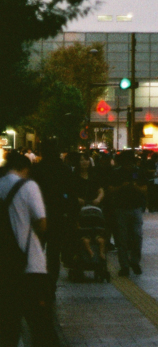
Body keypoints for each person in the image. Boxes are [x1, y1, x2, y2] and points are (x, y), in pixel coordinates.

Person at [0, 150, 58, 347]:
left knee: (8, 327)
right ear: (25, 168)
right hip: (30, 266)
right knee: (41, 326)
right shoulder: (28, 186)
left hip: (5, 269)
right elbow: (42, 223)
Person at [33, 140, 76, 300]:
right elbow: (71, 194)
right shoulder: (65, 170)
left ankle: (37, 285)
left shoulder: (36, 170)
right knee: (53, 253)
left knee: (36, 252)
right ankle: (51, 286)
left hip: (39, 217)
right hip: (58, 217)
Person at [110, 152, 147, 277]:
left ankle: (135, 262)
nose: (128, 165)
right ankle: (124, 265)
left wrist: (135, 187)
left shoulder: (139, 171)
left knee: (137, 236)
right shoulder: (116, 173)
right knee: (122, 239)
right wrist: (121, 187)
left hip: (136, 208)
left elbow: (145, 189)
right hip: (121, 208)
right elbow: (110, 189)